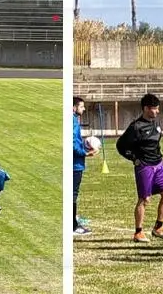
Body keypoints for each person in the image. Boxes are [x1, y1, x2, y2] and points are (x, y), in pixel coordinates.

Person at [116, 93, 163, 243]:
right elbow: (120, 146)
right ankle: (138, 232)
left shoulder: (157, 124)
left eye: (158, 108)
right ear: (146, 109)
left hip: (159, 164)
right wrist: (134, 159)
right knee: (145, 199)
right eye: (154, 109)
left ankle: (158, 228)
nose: (157, 111)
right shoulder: (136, 127)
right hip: (145, 166)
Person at [72, 97, 98, 236]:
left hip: (76, 163)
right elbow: (72, 144)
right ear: (73, 107)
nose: (84, 109)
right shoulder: (73, 122)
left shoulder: (73, 121)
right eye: (81, 107)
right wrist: (86, 153)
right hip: (75, 165)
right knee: (73, 194)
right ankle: (73, 226)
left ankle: (73, 220)